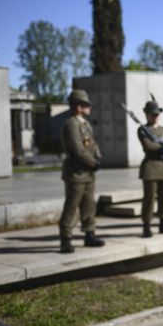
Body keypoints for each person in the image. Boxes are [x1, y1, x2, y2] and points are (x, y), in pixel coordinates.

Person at [58, 89, 104, 253]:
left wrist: (98, 157)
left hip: (88, 173)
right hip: (76, 173)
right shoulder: (71, 125)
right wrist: (93, 162)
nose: (89, 108)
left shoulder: (85, 124)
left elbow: (92, 144)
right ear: (78, 107)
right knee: (72, 206)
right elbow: (78, 150)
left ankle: (89, 233)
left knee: (89, 204)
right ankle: (66, 238)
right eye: (86, 105)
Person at [137, 99, 163, 238]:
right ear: (147, 115)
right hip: (151, 167)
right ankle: (147, 225)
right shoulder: (143, 130)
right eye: (152, 114)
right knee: (149, 198)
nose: (155, 116)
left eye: (156, 114)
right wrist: (162, 147)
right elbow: (147, 145)